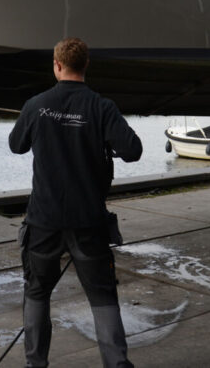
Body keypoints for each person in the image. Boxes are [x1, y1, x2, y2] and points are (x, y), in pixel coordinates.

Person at [9, 37, 143, 368]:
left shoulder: (36, 105)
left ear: (56, 66)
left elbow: (16, 145)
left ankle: (35, 364)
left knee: (37, 293)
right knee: (102, 296)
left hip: (44, 222)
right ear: (86, 66)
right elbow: (133, 150)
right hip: (89, 223)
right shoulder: (102, 107)